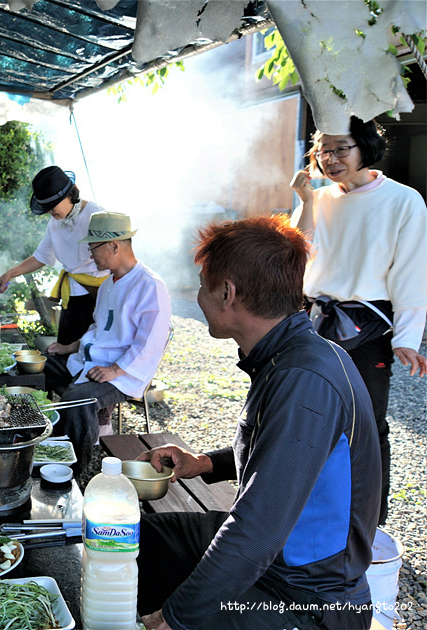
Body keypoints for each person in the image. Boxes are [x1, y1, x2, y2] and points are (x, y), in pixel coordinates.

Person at [137, 216, 380, 630]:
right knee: (141, 542)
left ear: (228, 292)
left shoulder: (304, 380)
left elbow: (255, 532)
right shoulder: (291, 354)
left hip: (307, 597)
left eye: (202, 283)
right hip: (278, 560)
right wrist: (204, 463)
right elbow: (288, 459)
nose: (197, 294)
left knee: (180, 611)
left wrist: (176, 618)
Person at [290, 116, 427, 526]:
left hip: (368, 326)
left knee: (367, 423)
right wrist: (308, 202)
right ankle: (306, 510)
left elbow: (411, 271)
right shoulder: (321, 198)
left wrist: (407, 337)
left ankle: (369, 520)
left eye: (340, 149)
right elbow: (295, 253)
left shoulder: (404, 201)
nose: (330, 159)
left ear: (365, 146)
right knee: (307, 415)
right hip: (315, 318)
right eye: (322, 151)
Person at [42, 211, 171, 474]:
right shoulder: (107, 284)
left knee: (78, 401)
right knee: (43, 367)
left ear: (115, 245)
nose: (91, 255)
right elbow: (98, 329)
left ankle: (73, 471)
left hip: (124, 373)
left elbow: (150, 343)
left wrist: (115, 369)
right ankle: (48, 439)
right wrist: (68, 348)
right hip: (92, 362)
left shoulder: (150, 285)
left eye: (93, 248)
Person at [0, 166, 112, 347]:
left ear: (69, 196)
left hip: (98, 295)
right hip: (72, 298)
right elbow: (41, 256)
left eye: (52, 207)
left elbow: (115, 258)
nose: (50, 212)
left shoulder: (95, 215)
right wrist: (10, 273)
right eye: (46, 208)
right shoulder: (55, 222)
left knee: (91, 351)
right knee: (64, 351)